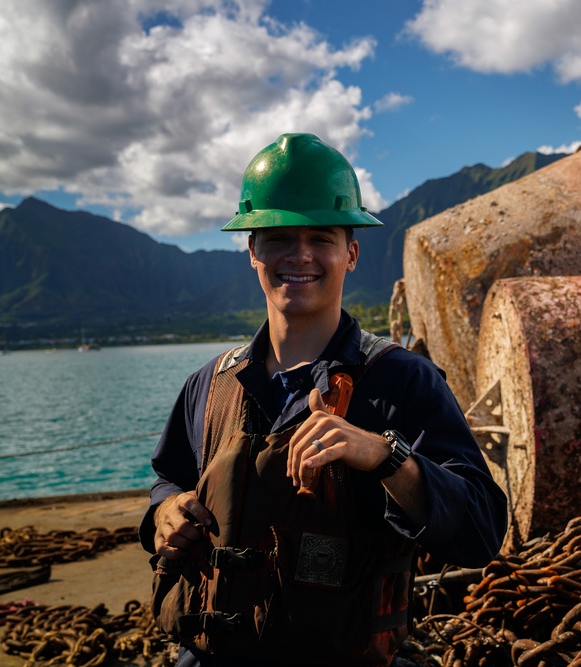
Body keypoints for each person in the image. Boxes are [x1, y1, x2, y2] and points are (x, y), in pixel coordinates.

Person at [139, 133, 508, 666]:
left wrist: (388, 456)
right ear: (253, 252)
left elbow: (480, 532)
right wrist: (164, 513)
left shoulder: (405, 381)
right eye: (278, 237)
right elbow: (167, 481)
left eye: (321, 237)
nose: (300, 255)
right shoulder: (208, 384)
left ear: (350, 254)